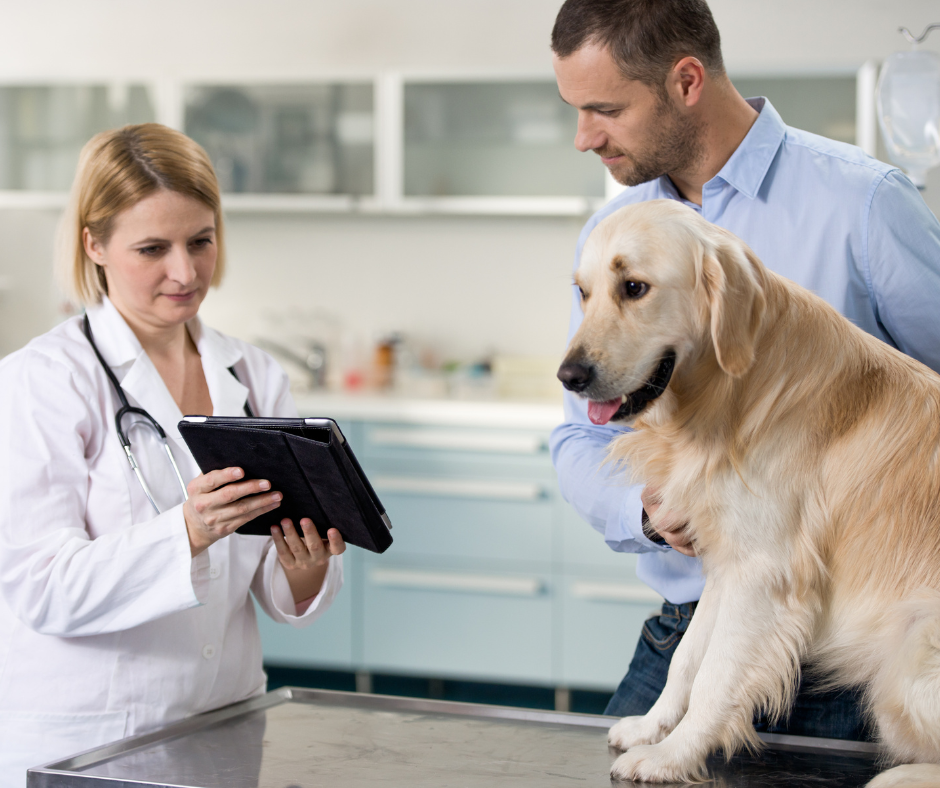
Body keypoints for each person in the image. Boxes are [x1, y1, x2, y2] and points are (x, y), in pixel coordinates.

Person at [549, 0, 940, 737]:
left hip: (858, 655)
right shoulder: (613, 235)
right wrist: (646, 514)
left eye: (606, 110)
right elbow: (581, 436)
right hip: (691, 626)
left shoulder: (862, 202)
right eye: (577, 110)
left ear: (686, 82)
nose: (584, 137)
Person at [0, 123, 346, 786]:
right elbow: (42, 589)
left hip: (222, 725)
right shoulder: (43, 381)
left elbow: (274, 586)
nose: (185, 272)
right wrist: (187, 530)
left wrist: (303, 567)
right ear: (94, 244)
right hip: (89, 740)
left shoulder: (253, 376)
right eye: (153, 248)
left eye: (201, 241)